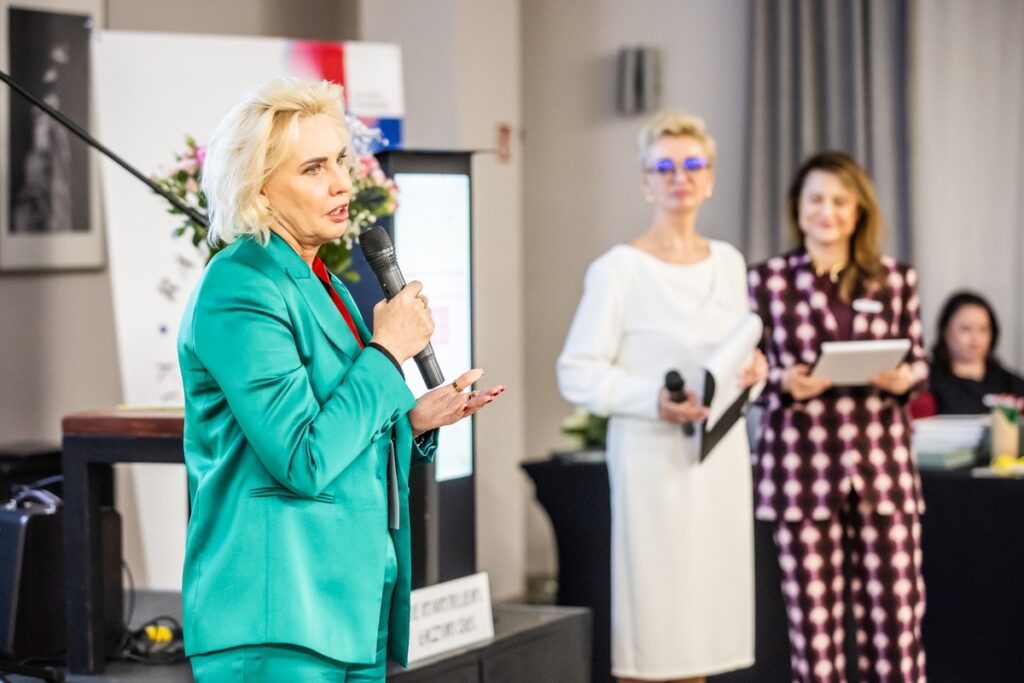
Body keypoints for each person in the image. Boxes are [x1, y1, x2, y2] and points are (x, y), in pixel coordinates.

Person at [177, 78, 503, 682]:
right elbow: (302, 458)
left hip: (346, 602)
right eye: (314, 168)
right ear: (260, 188)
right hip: (277, 609)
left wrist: (414, 418)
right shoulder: (240, 286)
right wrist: (385, 353)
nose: (342, 184)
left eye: (342, 162)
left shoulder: (318, 279)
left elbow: (343, 426)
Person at [557, 110, 766, 683]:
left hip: (720, 460)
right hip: (654, 463)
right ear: (646, 182)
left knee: (704, 625)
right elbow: (576, 372)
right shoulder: (619, 269)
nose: (682, 177)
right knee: (656, 625)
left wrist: (755, 370)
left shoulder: (728, 262)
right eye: (665, 167)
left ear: (712, 178)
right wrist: (654, 399)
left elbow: (734, 352)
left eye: (694, 164)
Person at [748, 151, 929, 683]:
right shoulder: (767, 281)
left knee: (898, 624)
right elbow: (745, 373)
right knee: (815, 633)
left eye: (839, 201)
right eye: (816, 200)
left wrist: (905, 377)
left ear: (859, 211)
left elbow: (920, 360)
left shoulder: (894, 280)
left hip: (883, 470)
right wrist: (783, 379)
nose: (827, 212)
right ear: (798, 208)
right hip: (800, 471)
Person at [911, 291, 1024, 416]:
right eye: (965, 329)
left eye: (983, 329)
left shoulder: (1010, 383)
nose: (975, 338)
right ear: (944, 330)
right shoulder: (925, 380)